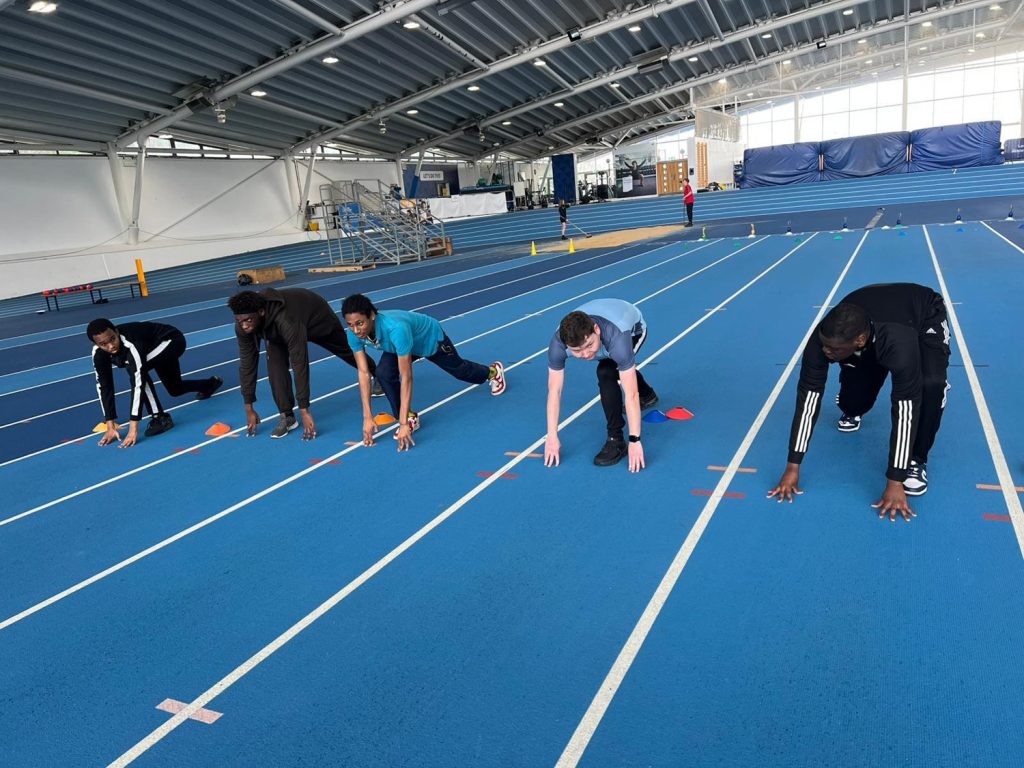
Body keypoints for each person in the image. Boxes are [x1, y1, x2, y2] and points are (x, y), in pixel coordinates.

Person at [768, 283, 950, 521]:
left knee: (930, 385)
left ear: (860, 339)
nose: (826, 352)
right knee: (854, 403)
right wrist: (793, 466)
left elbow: (905, 409)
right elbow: (808, 400)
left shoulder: (898, 343)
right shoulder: (822, 341)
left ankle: (916, 459)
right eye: (824, 345)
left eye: (833, 349)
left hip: (922, 314)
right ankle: (854, 399)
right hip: (871, 324)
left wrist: (896, 479)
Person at [341, 293, 506, 452]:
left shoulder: (395, 328)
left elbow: (406, 376)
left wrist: (403, 425)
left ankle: (492, 372)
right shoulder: (353, 334)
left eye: (360, 323)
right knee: (383, 373)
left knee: (460, 371)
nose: (356, 330)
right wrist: (367, 418)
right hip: (399, 345)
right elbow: (363, 373)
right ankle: (409, 415)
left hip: (427, 338)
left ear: (371, 315)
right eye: (350, 324)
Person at [228, 288, 382, 440]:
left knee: (346, 350)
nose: (244, 326)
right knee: (275, 365)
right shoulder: (243, 324)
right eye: (239, 321)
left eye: (248, 320)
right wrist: (249, 407)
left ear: (261, 312)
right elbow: (247, 362)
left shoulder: (286, 320)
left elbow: (299, 362)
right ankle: (287, 416)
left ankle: (377, 374)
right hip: (277, 330)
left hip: (317, 318)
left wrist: (304, 410)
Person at [544, 299, 658, 472]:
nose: (585, 354)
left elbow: (631, 395)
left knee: (606, 371)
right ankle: (648, 394)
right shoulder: (557, 344)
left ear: (596, 330)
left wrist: (635, 440)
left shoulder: (618, 337)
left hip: (633, 329)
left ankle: (616, 440)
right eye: (576, 351)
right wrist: (551, 436)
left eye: (589, 345)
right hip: (605, 328)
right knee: (614, 367)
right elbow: (555, 391)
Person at [87, 318, 222, 448]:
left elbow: (138, 382)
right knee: (175, 389)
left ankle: (160, 418)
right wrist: (110, 425)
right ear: (96, 344)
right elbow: (104, 386)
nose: (111, 346)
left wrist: (133, 429)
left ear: (116, 331)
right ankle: (209, 385)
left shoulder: (131, 343)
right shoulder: (98, 354)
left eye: (112, 339)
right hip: (151, 347)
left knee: (137, 370)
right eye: (104, 344)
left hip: (171, 340)